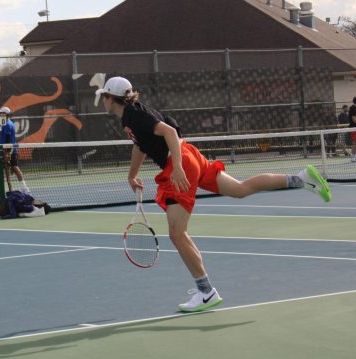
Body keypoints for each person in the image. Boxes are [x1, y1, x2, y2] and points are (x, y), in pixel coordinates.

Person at [96, 76, 332, 313]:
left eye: (103, 97)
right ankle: (301, 179)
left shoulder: (134, 115)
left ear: (110, 98)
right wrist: (131, 175)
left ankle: (206, 292)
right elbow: (141, 145)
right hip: (191, 156)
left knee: (177, 234)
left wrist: (177, 167)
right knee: (239, 189)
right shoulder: (133, 116)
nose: (102, 101)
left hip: (181, 163)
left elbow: (169, 132)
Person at [0, 107, 29, 196]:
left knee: (14, 168)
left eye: (1, 113)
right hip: (5, 149)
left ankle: (24, 188)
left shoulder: (7, 124)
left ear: (6, 115)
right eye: (0, 113)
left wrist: (7, 152)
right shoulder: (6, 123)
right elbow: (4, 135)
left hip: (8, 150)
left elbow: (8, 138)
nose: (0, 115)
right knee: (1, 170)